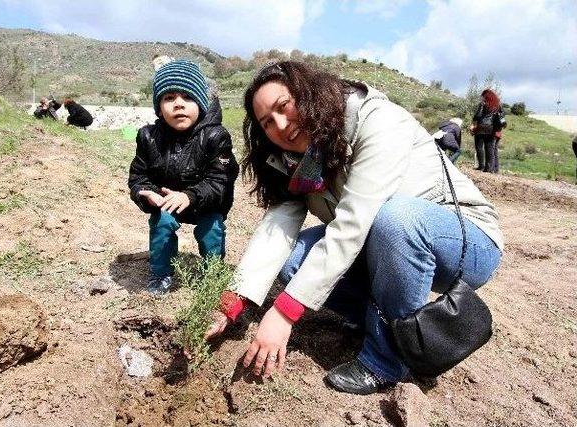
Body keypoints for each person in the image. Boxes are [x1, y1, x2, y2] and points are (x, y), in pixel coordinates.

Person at [203, 61, 503, 395]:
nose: (282, 125)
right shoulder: (297, 159)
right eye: (267, 122)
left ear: (307, 94)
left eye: (284, 107)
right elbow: (277, 230)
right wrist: (233, 301)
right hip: (384, 244)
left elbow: (352, 223)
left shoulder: (377, 120)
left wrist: (285, 312)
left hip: (464, 239)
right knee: (294, 259)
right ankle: (381, 321)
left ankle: (386, 362)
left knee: (396, 218)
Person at [128, 60, 239, 295]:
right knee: (161, 223)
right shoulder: (148, 137)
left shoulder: (216, 136)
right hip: (167, 202)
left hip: (206, 202)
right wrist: (144, 193)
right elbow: (139, 175)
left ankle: (212, 274)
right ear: (158, 108)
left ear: (200, 102)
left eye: (187, 98)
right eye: (169, 98)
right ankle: (160, 274)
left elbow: (221, 181)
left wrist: (190, 195)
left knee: (211, 229)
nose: (178, 104)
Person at [470, 89, 506, 173]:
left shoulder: (483, 103)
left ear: (485, 96)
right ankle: (489, 168)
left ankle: (481, 166)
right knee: (489, 148)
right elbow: (503, 115)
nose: (481, 97)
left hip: (481, 128)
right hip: (492, 128)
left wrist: (481, 107)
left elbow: (477, 116)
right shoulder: (498, 105)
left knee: (479, 147)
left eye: (482, 96)